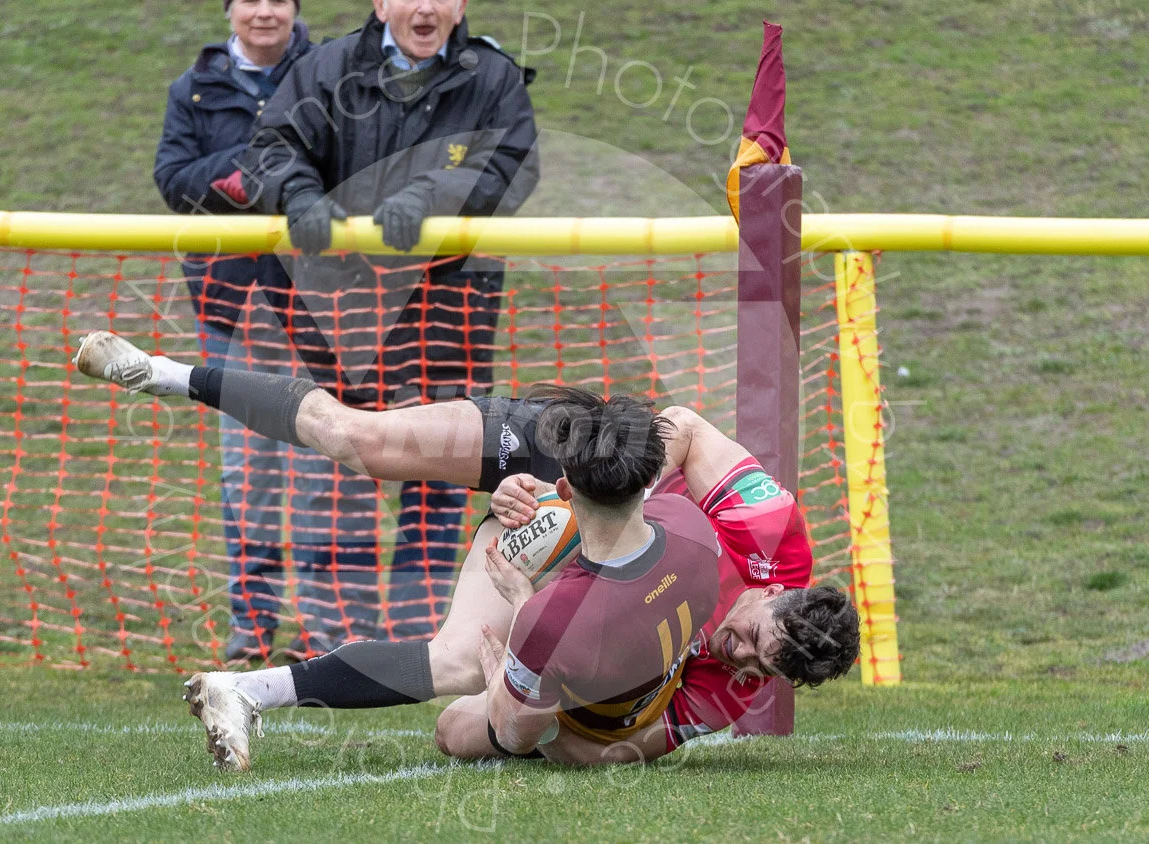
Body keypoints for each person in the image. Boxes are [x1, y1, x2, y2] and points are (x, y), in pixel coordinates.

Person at [72, 331, 860, 767]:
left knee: (458, 662)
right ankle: (165, 373)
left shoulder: (732, 692)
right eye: (753, 637)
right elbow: (682, 424)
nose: (738, 654)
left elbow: (618, 750)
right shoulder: (767, 530)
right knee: (359, 439)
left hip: (553, 572)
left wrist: (533, 700)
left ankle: (245, 693)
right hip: (582, 459)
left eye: (759, 668)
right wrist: (589, 505)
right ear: (776, 591)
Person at [233, 0, 542, 646]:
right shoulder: (328, 69)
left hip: (448, 306)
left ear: (461, 6)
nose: (425, 7)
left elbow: (512, 166)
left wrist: (434, 196)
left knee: (442, 465)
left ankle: (420, 631)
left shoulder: (493, 78)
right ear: (381, 4)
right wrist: (296, 193)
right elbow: (273, 145)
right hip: (340, 306)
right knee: (338, 460)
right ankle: (337, 633)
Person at [152, 0, 315, 661]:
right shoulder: (191, 87)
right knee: (248, 476)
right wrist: (246, 173)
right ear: (230, 11)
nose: (264, 11)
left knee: (321, 474)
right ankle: (252, 631)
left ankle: (327, 631)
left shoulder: (328, 72)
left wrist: (289, 179)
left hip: (317, 312)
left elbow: (336, 170)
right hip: (230, 309)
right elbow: (173, 179)